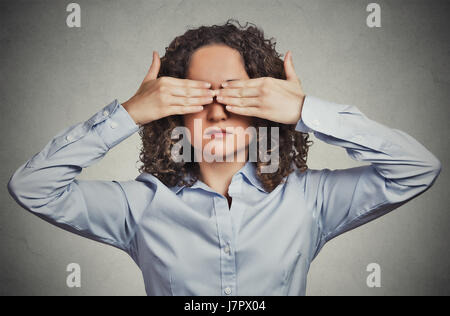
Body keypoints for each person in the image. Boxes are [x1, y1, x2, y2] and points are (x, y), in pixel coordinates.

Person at [7, 20, 441, 296]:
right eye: (197, 96)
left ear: (263, 105)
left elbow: (416, 168)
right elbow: (33, 187)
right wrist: (130, 113)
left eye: (238, 93)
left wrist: (305, 110)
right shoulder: (139, 207)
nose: (217, 110)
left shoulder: (310, 200)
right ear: (173, 111)